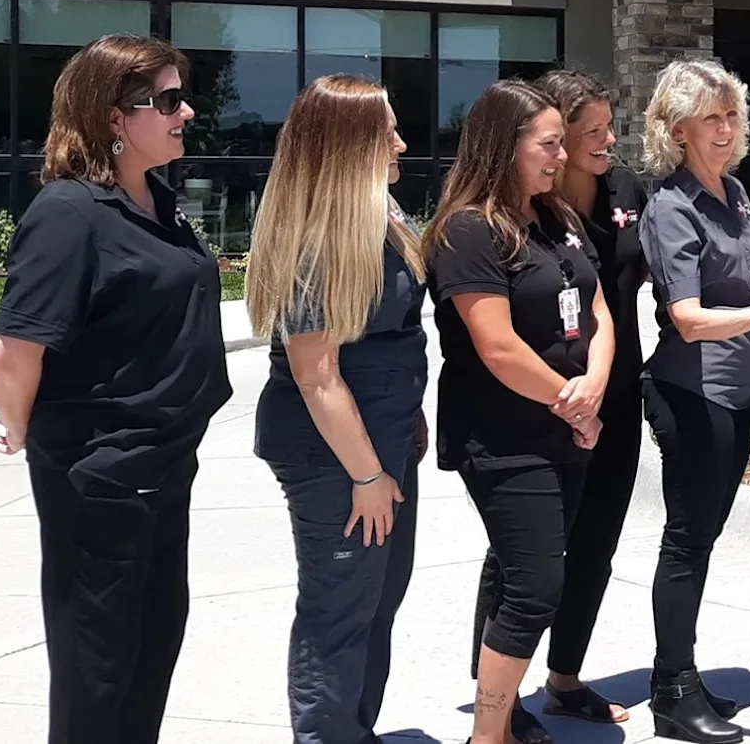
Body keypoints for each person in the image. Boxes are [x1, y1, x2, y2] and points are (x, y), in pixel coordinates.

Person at [0, 34, 231, 744]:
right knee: (99, 672)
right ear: (114, 116)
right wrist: (26, 430)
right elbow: (10, 349)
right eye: (169, 100)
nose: (187, 113)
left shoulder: (158, 200)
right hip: (101, 479)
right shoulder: (69, 213)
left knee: (151, 654)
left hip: (165, 468)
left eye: (184, 97)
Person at [424, 79, 615, 744]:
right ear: (505, 147)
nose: (562, 156)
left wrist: (593, 385)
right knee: (536, 587)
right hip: (504, 438)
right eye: (550, 144)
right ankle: (488, 734)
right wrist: (575, 403)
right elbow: (498, 348)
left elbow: (598, 308)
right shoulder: (468, 231)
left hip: (566, 428)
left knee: (515, 572)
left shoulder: (555, 218)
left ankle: (506, 722)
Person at [248, 75, 430, 744]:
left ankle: (354, 730)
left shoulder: (378, 211)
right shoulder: (319, 235)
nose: (401, 143)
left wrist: (405, 420)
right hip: (338, 459)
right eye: (387, 132)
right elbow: (316, 372)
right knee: (340, 610)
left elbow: (388, 333)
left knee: (377, 600)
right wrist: (364, 474)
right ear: (350, 144)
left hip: (378, 444)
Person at [635, 59, 750, 743]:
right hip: (691, 391)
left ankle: (683, 674)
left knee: (700, 542)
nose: (727, 128)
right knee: (686, 542)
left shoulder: (736, 193)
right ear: (675, 128)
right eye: (711, 117)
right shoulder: (672, 206)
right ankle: (672, 691)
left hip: (737, 393)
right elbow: (687, 317)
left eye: (732, 114)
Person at [467, 70, 649, 726]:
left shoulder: (626, 193)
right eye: (592, 131)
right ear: (555, 139)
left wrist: (601, 387)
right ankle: (500, 699)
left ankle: (565, 678)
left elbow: (632, 289)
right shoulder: (521, 215)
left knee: (595, 543)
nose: (609, 141)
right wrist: (572, 398)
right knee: (522, 560)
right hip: (540, 408)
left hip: (615, 399)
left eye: (610, 127)